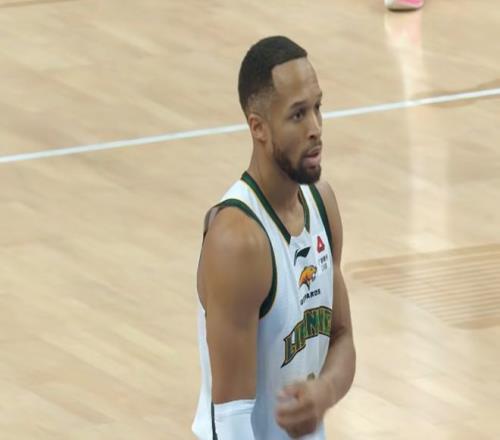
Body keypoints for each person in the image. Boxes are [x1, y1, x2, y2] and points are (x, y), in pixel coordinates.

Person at [192, 35, 356, 440]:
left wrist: (324, 391)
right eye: (298, 115)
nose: (315, 128)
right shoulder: (238, 241)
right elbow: (230, 419)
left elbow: (341, 337)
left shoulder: (322, 204)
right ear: (259, 128)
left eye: (317, 108)